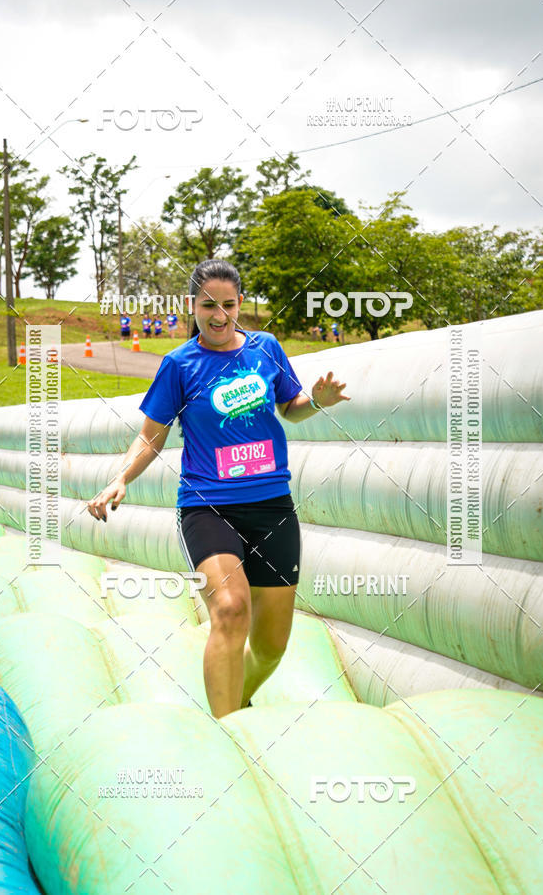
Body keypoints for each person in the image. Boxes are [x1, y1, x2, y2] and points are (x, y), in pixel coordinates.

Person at [87, 259, 349, 719]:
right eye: (209, 305)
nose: (219, 315)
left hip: (272, 508)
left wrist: (318, 403)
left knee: (270, 646)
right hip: (208, 508)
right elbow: (152, 435)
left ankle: (237, 701)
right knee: (229, 609)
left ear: (239, 304)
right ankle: (226, 734)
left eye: (228, 305)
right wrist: (120, 478)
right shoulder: (180, 365)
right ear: (192, 305)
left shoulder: (266, 348)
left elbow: (291, 407)